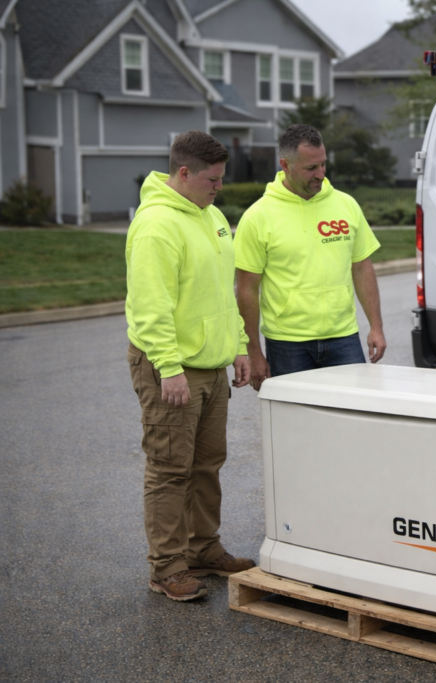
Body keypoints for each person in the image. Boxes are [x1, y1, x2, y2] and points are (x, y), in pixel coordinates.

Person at [126, 131, 255, 602]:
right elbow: (149, 305)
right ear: (184, 173)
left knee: (206, 465)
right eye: (212, 179)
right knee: (169, 468)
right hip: (171, 366)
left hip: (212, 364)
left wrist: (239, 345)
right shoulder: (156, 225)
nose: (219, 187)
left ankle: (203, 549)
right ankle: (167, 568)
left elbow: (223, 293)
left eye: (221, 179)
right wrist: (169, 366)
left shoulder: (212, 216)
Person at [235, 124, 386, 389]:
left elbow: (362, 267)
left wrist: (376, 326)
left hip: (344, 338)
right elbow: (247, 289)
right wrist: (254, 353)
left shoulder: (346, 205)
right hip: (287, 343)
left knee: (350, 422)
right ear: (285, 164)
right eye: (310, 169)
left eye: (323, 165)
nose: (320, 174)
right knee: (295, 426)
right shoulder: (258, 216)